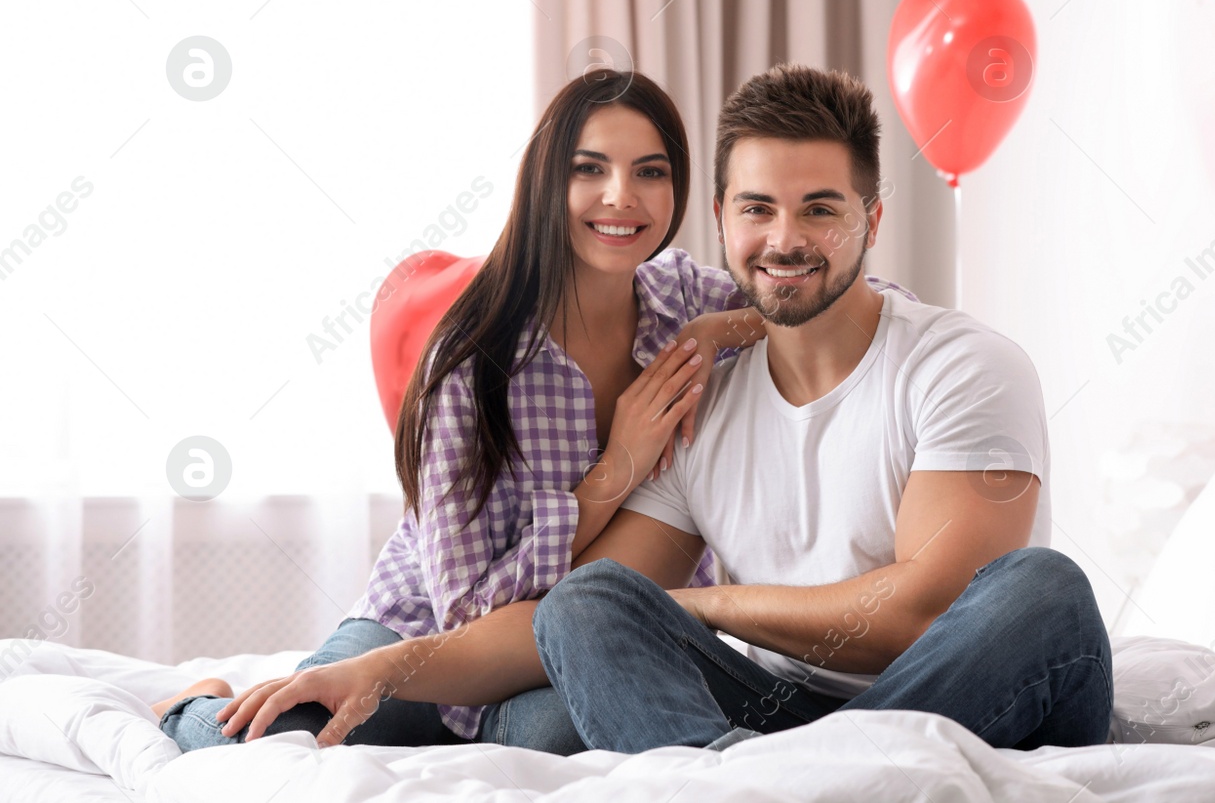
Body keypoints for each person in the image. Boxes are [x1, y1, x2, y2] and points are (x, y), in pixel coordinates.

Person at [153, 68, 910, 752]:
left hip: (577, 653)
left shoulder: (684, 301)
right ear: (548, 182)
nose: (623, 196)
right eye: (592, 170)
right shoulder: (472, 361)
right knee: (266, 745)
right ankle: (194, 700)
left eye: (650, 171)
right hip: (424, 641)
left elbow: (847, 301)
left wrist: (723, 328)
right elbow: (466, 609)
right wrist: (617, 467)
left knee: (573, 733)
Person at [530, 63, 1113, 752]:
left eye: (820, 209)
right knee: (586, 601)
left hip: (955, 697)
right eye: (757, 208)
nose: (785, 239)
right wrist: (395, 665)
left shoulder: (964, 366)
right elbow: (612, 604)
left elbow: (922, 614)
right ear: (720, 217)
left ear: (871, 219)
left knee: (1044, 592)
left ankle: (770, 783)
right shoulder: (704, 401)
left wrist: (711, 603)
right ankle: (778, 786)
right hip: (779, 715)